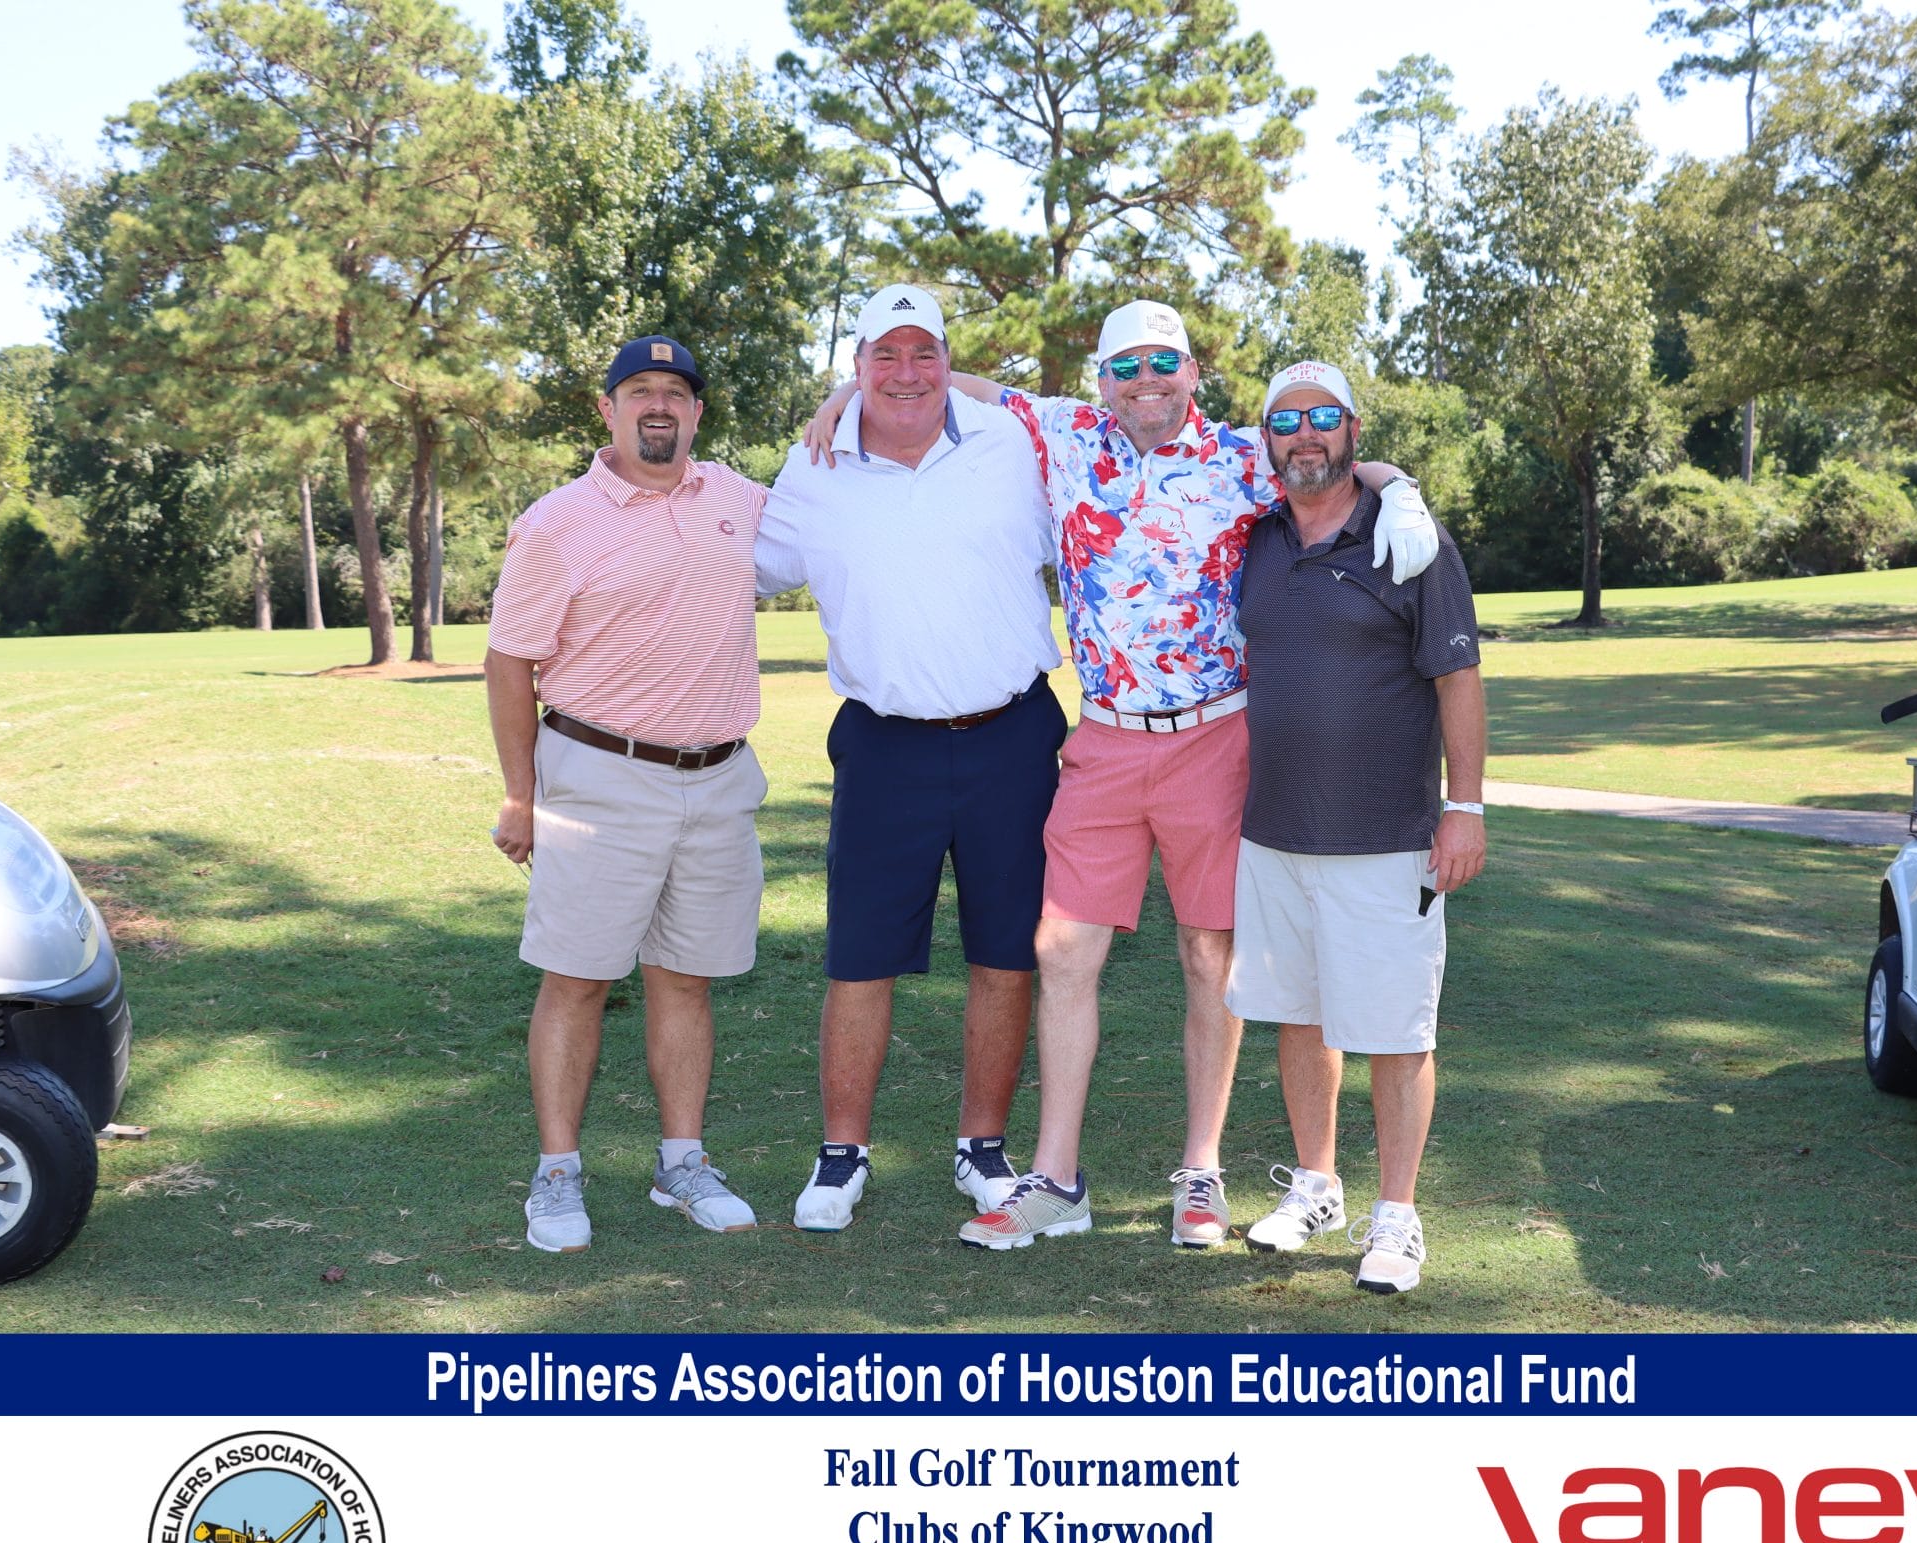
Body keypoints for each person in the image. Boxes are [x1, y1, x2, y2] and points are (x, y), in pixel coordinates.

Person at [803, 299, 1439, 1252]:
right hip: (1100, 739)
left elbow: (1341, 467)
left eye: (1163, 363)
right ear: (1101, 380)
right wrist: (847, 393)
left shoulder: (1242, 456)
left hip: (1214, 737)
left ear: (1193, 373)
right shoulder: (1062, 434)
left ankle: (1201, 1172)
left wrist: (1402, 488)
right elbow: (951, 383)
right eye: (1126, 366)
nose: (1146, 381)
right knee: (1061, 951)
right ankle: (1058, 1180)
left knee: (1209, 955)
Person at [754, 285, 1066, 1231]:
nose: (905, 372)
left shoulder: (1015, 443)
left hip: (1014, 734)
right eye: (882, 355)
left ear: (947, 361)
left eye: (922, 352)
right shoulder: (813, 466)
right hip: (884, 745)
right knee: (861, 957)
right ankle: (841, 1156)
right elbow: (740, 563)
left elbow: (1100, 438)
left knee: (1006, 953)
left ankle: (983, 1148)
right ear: (855, 367)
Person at [484, 334, 769, 1252]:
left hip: (719, 779)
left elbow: (839, 493)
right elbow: (508, 662)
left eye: (676, 392)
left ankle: (681, 1161)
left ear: (697, 412)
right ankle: (557, 1174)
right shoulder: (557, 522)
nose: (658, 405)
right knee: (576, 979)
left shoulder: (737, 499)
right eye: (639, 390)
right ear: (607, 410)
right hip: (599, 778)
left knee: (685, 978)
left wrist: (844, 401)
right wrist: (520, 795)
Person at [1226, 359, 1487, 1294]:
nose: (1306, 435)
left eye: (1324, 417)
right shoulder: (1254, 536)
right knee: (1300, 1016)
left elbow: (1458, 678)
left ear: (1353, 430)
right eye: (1286, 420)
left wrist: (1465, 808)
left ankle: (1398, 1215)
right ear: (1266, 438)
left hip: (1387, 838)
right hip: (1274, 833)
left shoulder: (1410, 541)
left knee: (1395, 1030)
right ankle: (1317, 1186)